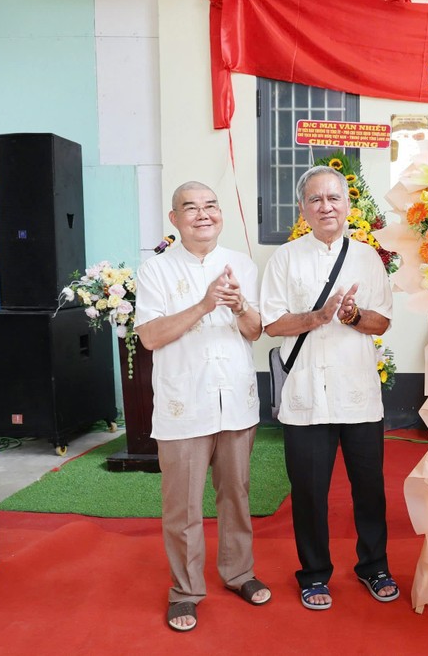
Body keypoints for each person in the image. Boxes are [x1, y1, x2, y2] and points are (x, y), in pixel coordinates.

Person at [135, 181, 270, 632]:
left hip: (235, 400)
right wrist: (204, 303)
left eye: (210, 206)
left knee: (237, 495)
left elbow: (254, 331)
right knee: (183, 508)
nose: (203, 214)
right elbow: (150, 337)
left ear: (220, 214)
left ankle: (239, 573)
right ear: (174, 220)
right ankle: (185, 591)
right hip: (184, 405)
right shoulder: (153, 270)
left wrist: (238, 306)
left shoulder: (243, 264)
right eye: (190, 208)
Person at [260, 165, 396, 611]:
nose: (326, 207)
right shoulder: (284, 259)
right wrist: (318, 317)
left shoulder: (368, 258)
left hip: (358, 396)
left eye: (333, 198)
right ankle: (314, 574)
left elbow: (383, 321)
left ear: (348, 205)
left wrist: (354, 315)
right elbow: (272, 323)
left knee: (369, 489)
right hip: (304, 398)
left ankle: (373, 566)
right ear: (303, 209)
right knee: (309, 492)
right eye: (315, 200)